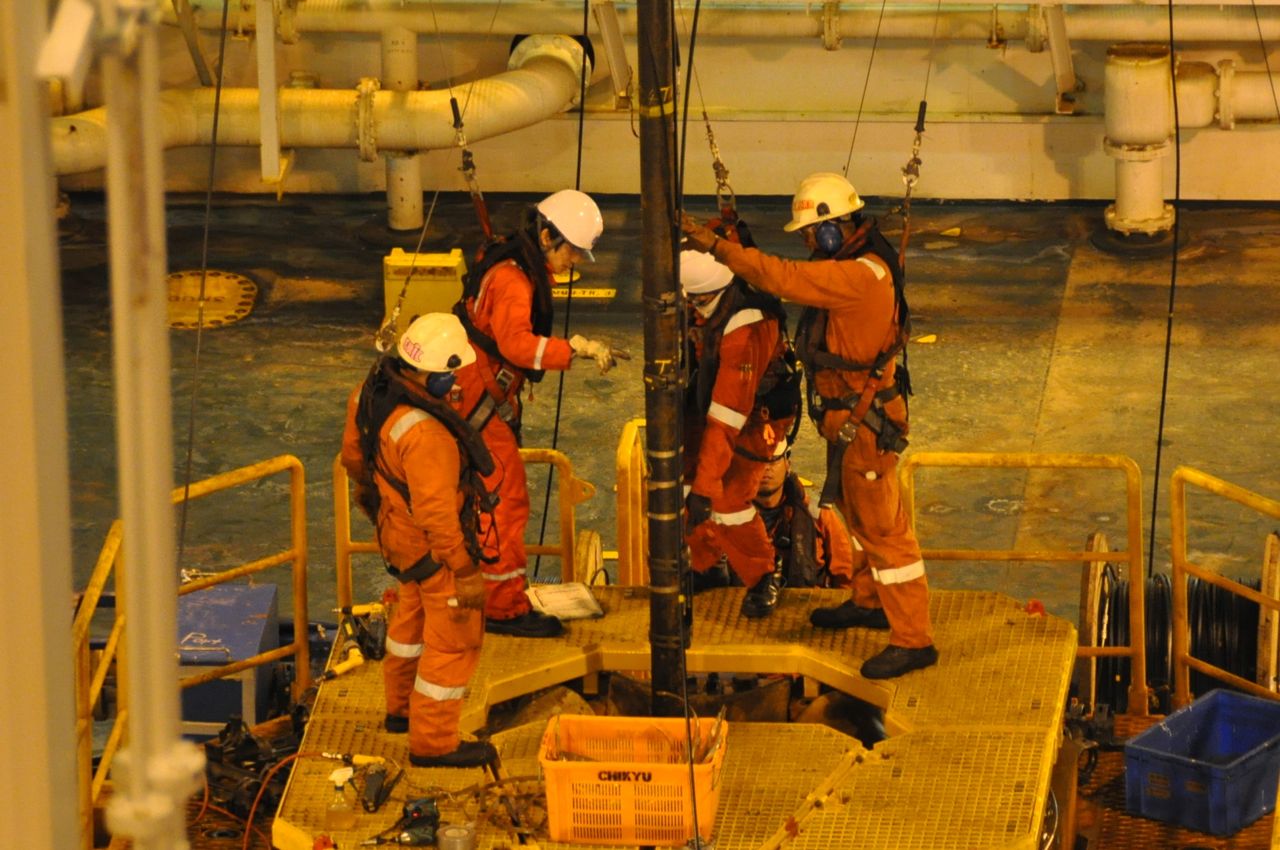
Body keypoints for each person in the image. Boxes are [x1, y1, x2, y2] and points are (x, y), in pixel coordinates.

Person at [682, 171, 937, 679]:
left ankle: (914, 639)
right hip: (856, 419)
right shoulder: (863, 261)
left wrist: (719, 247)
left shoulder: (856, 278)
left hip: (864, 424)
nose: (805, 242)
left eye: (808, 234)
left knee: (885, 532)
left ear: (832, 229)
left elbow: (786, 278)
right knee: (862, 522)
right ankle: (868, 600)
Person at [453, 189, 628, 637]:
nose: (576, 261)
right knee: (504, 500)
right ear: (547, 235)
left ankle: (486, 593)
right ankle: (503, 608)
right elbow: (515, 345)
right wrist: (577, 349)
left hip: (478, 395)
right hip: (481, 402)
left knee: (484, 499)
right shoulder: (514, 280)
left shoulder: (516, 265)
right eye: (572, 249)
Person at [340, 312, 497, 767]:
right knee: (453, 640)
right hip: (432, 546)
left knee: (409, 621)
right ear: (435, 373)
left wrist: (375, 503)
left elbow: (354, 458)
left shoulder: (369, 393)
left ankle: (400, 710)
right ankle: (433, 743)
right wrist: (465, 572)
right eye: (452, 374)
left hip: (397, 535)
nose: (455, 382)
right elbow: (437, 514)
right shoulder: (427, 434)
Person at [680, 249, 800, 618]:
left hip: (754, 418)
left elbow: (726, 419)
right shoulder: (713, 292)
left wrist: (704, 490)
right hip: (710, 398)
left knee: (727, 499)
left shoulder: (746, 330)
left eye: (694, 303)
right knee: (685, 483)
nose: (691, 311)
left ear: (708, 295)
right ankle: (705, 565)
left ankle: (763, 575)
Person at [754, 439, 855, 591]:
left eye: (774, 460)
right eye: (758, 461)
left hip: (807, 606)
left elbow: (846, 576)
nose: (766, 468)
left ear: (788, 464)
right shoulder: (725, 519)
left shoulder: (818, 515)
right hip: (740, 607)